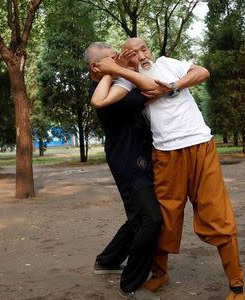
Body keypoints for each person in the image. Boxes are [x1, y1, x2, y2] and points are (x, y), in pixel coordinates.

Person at [93, 37, 245, 300]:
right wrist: (114, 70)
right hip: (164, 154)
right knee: (165, 218)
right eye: (132, 53)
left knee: (217, 215)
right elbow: (100, 101)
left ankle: (236, 284)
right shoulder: (128, 82)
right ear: (126, 58)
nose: (141, 55)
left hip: (200, 145)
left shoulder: (167, 63)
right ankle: (159, 274)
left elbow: (202, 71)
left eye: (144, 49)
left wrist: (173, 86)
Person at [84, 42, 162, 300]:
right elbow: (149, 89)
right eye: (109, 60)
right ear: (96, 67)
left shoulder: (117, 84)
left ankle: (107, 261)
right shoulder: (103, 91)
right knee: (151, 219)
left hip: (142, 157)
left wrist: (119, 66)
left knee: (138, 217)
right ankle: (130, 284)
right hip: (127, 161)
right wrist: (113, 70)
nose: (116, 61)